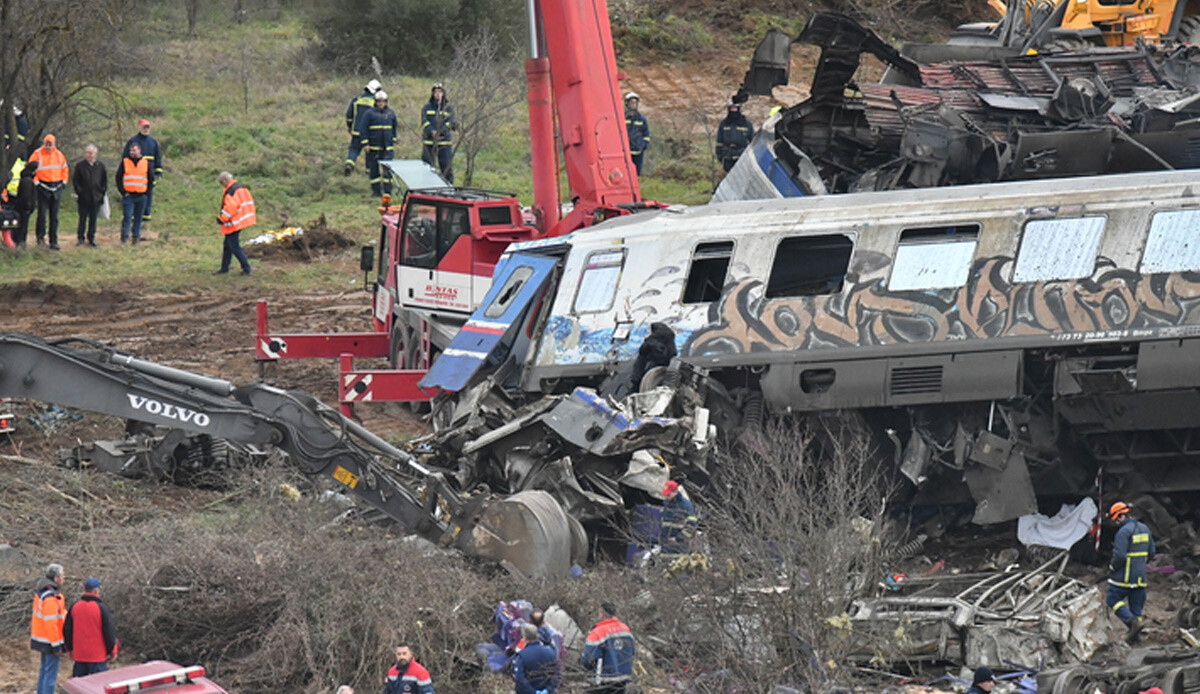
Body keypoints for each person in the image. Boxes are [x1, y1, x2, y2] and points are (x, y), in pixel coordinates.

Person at [1107, 500, 1155, 643]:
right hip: (1140, 576)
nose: (1116, 523)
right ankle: (1137, 637)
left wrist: (1112, 567)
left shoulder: (1123, 532)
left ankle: (1131, 623)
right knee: (1136, 605)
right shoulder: (1145, 528)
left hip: (1125, 576)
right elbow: (1152, 553)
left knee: (1112, 599)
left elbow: (1120, 555)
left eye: (1115, 520)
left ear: (1120, 516)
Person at [63, 577, 118, 677]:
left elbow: (67, 630)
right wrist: (112, 651)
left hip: (79, 655)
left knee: (79, 688)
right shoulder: (102, 608)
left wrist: (69, 648)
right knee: (97, 687)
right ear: (96, 591)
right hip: (97, 657)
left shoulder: (74, 607)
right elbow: (109, 633)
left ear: (84, 590)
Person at [349, 91, 397, 197]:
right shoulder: (369, 114)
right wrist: (365, 144)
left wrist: (393, 139)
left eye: (383, 101)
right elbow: (363, 129)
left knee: (388, 170)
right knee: (374, 171)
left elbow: (394, 128)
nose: (381, 103)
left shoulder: (391, 113)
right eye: (379, 101)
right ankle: (376, 192)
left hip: (387, 148)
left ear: (386, 102)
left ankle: (388, 191)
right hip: (373, 148)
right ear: (375, 102)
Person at [580, 602, 634, 694]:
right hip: (623, 679)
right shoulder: (626, 629)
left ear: (602, 614)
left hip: (602, 681)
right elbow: (632, 652)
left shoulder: (597, 632)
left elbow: (587, 659)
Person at [30, 563, 66, 694]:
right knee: (50, 676)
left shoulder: (42, 592)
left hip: (42, 639)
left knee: (44, 671)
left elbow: (58, 615)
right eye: (62, 576)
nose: (64, 578)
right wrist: (57, 645)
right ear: (56, 578)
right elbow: (51, 623)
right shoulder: (51, 597)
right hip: (50, 641)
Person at [28, 134, 68, 249]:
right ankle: (40, 239)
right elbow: (30, 170)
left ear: (54, 144)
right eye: (47, 143)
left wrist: (64, 182)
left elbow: (65, 169)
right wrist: (37, 183)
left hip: (57, 187)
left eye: (50, 144)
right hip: (42, 187)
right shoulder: (37, 154)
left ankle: (53, 241)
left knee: (54, 216)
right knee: (42, 215)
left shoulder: (59, 155)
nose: (48, 146)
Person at [214, 171, 255, 275]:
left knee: (234, 247)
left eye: (221, 182)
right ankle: (224, 268)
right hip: (239, 220)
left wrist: (222, 219)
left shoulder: (231, 191)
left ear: (225, 180)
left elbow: (230, 208)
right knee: (227, 246)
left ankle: (246, 268)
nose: (222, 185)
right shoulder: (239, 188)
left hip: (234, 223)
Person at [123, 120, 162, 222]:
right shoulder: (133, 141)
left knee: (148, 194)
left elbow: (158, 157)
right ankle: (132, 216)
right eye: (144, 127)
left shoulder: (153, 142)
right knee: (134, 196)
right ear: (139, 127)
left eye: (148, 127)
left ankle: (146, 215)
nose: (146, 129)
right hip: (134, 176)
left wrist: (158, 171)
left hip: (149, 174)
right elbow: (125, 159)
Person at [420, 83, 457, 183]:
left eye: (440, 92)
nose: (437, 94)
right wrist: (431, 131)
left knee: (446, 167)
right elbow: (424, 121)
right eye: (435, 92)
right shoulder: (426, 108)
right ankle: (427, 189)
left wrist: (441, 132)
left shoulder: (449, 108)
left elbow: (451, 123)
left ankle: (449, 189)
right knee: (427, 168)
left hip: (444, 143)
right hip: (429, 143)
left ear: (443, 93)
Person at [72, 145, 107, 247]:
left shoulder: (100, 166)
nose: (89, 155)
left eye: (91, 153)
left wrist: (101, 193)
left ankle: (91, 237)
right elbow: (75, 181)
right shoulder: (80, 166)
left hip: (96, 197)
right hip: (83, 198)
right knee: (82, 219)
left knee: (93, 219)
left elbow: (104, 181)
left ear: (96, 154)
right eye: (87, 153)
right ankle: (80, 238)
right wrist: (80, 192)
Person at [116, 143, 150, 244]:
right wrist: (123, 192)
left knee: (138, 218)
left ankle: (136, 237)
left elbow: (150, 179)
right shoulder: (125, 162)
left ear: (139, 151)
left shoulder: (145, 163)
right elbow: (118, 177)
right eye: (131, 150)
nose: (132, 152)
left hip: (141, 195)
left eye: (134, 150)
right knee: (127, 217)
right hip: (129, 196)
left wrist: (146, 192)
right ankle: (124, 237)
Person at [512, 624, 560, 694]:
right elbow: (557, 674)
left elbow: (519, 678)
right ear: (537, 636)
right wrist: (548, 690)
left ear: (524, 638)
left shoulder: (522, 655)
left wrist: (533, 692)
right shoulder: (550, 653)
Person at [344, 78, 382, 163]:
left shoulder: (357, 100)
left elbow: (349, 115)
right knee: (370, 151)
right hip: (370, 133)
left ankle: (349, 164)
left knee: (354, 149)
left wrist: (349, 126)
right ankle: (368, 171)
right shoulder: (376, 102)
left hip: (356, 131)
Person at [660, 480, 698, 561]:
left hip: (679, 551)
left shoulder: (686, 506)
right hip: (666, 550)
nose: (666, 497)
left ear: (675, 492)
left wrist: (678, 538)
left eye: (668, 495)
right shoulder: (667, 505)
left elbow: (692, 526)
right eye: (665, 495)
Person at [716, 100, 754, 172]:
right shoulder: (724, 123)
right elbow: (719, 141)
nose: (733, 110)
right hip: (727, 157)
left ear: (739, 109)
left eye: (735, 108)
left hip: (742, 158)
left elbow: (753, 141)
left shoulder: (747, 124)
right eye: (731, 108)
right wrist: (720, 156)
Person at [13, 160, 37, 248]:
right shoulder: (28, 181)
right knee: (22, 227)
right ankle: (20, 244)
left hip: (21, 207)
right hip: (24, 209)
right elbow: (26, 196)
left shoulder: (25, 179)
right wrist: (28, 206)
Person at [624, 92, 650, 175]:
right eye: (632, 102)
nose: (634, 105)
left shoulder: (641, 119)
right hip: (625, 151)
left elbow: (646, 134)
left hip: (638, 151)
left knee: (636, 173)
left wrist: (643, 145)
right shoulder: (621, 117)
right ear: (627, 103)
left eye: (635, 102)